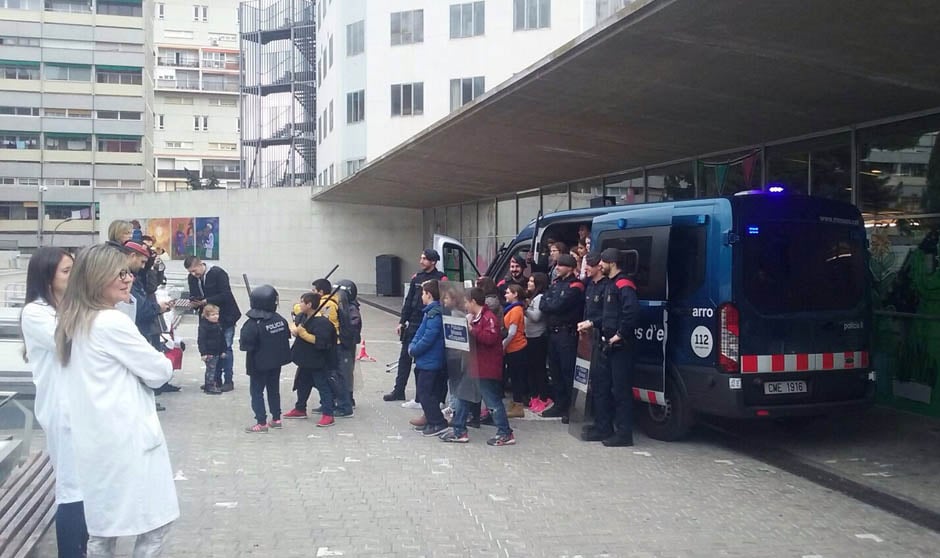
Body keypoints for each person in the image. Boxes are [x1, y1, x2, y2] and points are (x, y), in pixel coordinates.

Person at [54, 243, 178, 557]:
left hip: (96, 441)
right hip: (128, 440)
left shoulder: (73, 320)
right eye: (118, 274)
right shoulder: (111, 322)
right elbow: (159, 370)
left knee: (103, 531)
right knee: (154, 526)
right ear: (96, 279)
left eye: (127, 272)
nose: (128, 279)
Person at [20, 247, 87, 558]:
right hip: (62, 409)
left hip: (83, 407)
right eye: (65, 271)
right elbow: (71, 342)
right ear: (46, 277)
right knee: (72, 488)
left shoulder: (68, 307)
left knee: (87, 485)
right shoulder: (36, 312)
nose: (73, 276)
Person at [445, 287, 515, 446]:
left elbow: (490, 338)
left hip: (485, 367)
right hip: (474, 365)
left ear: (473, 302)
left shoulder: (488, 318)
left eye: (466, 302)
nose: (464, 305)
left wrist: (471, 329)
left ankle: (505, 432)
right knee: (463, 395)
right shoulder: (475, 317)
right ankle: (459, 430)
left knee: (492, 401)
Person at [591, 248, 640, 447]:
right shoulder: (610, 284)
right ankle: (603, 428)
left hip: (620, 346)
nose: (599, 265)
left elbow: (632, 313)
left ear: (611, 262)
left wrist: (619, 335)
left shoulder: (624, 284)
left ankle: (624, 434)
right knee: (602, 388)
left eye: (602, 261)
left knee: (620, 391)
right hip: (607, 344)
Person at [384, 248, 447, 403]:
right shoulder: (417, 277)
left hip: (428, 320)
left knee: (423, 362)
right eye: (421, 258)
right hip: (413, 322)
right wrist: (401, 321)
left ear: (433, 261)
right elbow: (408, 301)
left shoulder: (441, 279)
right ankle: (399, 391)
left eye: (425, 259)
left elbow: (445, 301)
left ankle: (425, 396)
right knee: (404, 358)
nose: (421, 261)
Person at [239, 284, 291, 432]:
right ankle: (276, 418)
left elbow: (245, 346)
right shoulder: (279, 319)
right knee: (273, 390)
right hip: (276, 363)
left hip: (258, 364)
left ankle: (261, 422)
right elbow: (285, 336)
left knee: (256, 392)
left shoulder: (252, 323)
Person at [539, 253, 585, 423]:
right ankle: (560, 403)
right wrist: (552, 304)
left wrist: (552, 304)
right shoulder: (556, 283)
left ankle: (571, 408)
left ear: (571, 268)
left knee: (567, 372)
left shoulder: (576, 286)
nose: (557, 267)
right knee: (555, 370)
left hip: (567, 333)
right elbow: (544, 303)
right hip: (553, 333)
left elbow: (559, 305)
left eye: (561, 265)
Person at [185, 256, 241, 391]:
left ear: (200, 264)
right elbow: (194, 294)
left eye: (194, 271)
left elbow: (226, 294)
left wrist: (206, 301)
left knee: (225, 348)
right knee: (212, 350)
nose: (193, 274)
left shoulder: (217, 273)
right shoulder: (192, 278)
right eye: (190, 272)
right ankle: (214, 380)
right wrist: (194, 302)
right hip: (207, 318)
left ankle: (228, 380)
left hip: (225, 316)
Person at [289, 292, 340, 428]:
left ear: (309, 304)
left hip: (318, 361)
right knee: (302, 384)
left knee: (323, 386)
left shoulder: (323, 323)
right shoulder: (303, 316)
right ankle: (300, 408)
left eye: (302, 302)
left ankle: (328, 415)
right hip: (305, 360)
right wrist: (294, 329)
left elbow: (321, 342)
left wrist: (304, 334)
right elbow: (294, 324)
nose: (299, 305)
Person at [408, 280, 448, 437]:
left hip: (430, 361)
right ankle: (432, 420)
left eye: (423, 293)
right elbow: (420, 333)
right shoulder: (429, 312)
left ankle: (437, 422)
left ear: (429, 295)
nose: (421, 296)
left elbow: (428, 338)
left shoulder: (435, 314)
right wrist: (412, 345)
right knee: (425, 391)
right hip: (426, 360)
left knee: (425, 393)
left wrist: (415, 349)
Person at [576, 251, 609, 436]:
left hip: (601, 340)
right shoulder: (590, 286)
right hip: (589, 339)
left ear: (598, 266)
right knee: (594, 385)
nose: (585, 269)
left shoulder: (607, 287)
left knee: (602, 385)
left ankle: (603, 427)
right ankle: (597, 422)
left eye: (588, 265)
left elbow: (607, 314)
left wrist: (591, 324)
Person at [525, 272, 551, 412]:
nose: (528, 283)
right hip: (529, 336)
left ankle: (544, 397)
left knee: (539, 369)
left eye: (531, 281)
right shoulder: (531, 298)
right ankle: (534, 396)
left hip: (538, 337)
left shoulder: (539, 298)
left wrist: (525, 309)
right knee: (531, 369)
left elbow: (536, 317)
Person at [502, 283, 528, 418]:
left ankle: (518, 405)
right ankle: (516, 402)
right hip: (514, 347)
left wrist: (503, 346)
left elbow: (511, 333)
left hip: (516, 347)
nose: (505, 295)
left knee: (516, 377)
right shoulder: (513, 309)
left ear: (515, 294)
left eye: (508, 293)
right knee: (514, 375)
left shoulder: (516, 310)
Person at [197, 304, 225, 395]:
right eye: (213, 315)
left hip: (216, 351)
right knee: (211, 369)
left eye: (217, 314)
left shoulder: (217, 325)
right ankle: (209, 386)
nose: (216, 316)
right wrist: (203, 353)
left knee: (211, 369)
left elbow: (221, 339)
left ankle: (209, 384)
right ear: (206, 316)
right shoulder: (204, 326)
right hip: (209, 352)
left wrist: (223, 350)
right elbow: (201, 340)